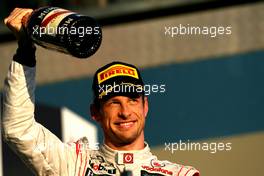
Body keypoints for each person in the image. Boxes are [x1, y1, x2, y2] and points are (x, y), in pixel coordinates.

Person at [2, 8, 200, 176]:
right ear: (95, 112)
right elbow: (19, 130)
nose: (125, 112)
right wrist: (25, 50)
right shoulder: (74, 164)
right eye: (113, 102)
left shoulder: (179, 174)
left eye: (132, 100)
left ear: (145, 106)